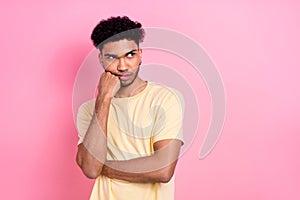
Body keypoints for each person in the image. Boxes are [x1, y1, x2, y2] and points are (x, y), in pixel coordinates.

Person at [76, 16, 184, 200]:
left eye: (130, 55)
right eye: (112, 57)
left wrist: (106, 167)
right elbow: (91, 169)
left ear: (140, 54)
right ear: (101, 59)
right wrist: (104, 98)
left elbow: (163, 170)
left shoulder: (165, 98)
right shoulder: (88, 110)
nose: (122, 66)